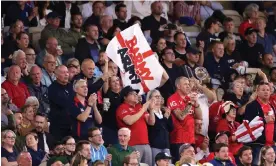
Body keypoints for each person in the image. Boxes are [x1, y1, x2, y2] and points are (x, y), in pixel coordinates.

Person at [116, 86, 156, 166]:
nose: (135, 95)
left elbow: (151, 122)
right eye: (132, 94)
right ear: (125, 97)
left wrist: (151, 110)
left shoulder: (139, 107)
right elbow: (129, 121)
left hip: (146, 143)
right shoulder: (122, 108)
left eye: (136, 94)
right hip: (133, 145)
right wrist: (143, 109)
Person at [167, 77, 202, 163]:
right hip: (178, 139)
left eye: (189, 84)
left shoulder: (188, 99)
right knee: (180, 163)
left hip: (191, 138)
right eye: (185, 84)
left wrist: (196, 104)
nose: (188, 86)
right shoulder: (173, 98)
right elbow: (181, 116)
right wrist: (190, 103)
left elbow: (199, 116)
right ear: (178, 86)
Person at [244, 82, 276, 165]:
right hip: (257, 144)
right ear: (257, 92)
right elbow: (248, 125)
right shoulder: (251, 106)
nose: (266, 92)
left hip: (271, 144)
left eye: (268, 90)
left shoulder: (271, 106)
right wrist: (265, 120)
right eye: (263, 90)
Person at [48, 65, 74, 140]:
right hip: (58, 126)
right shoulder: (53, 88)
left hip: (70, 125)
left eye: (67, 72)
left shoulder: (71, 86)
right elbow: (65, 103)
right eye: (63, 73)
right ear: (56, 75)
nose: (66, 74)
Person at [147, 89, 173, 162]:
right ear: (150, 99)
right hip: (155, 146)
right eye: (156, 96)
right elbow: (155, 126)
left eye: (159, 96)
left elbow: (171, 128)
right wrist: (165, 118)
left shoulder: (164, 112)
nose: (158, 98)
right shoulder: (148, 112)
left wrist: (167, 117)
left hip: (166, 146)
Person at [102, 75, 122, 145]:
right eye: (113, 81)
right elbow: (105, 109)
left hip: (121, 127)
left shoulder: (123, 95)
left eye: (117, 80)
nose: (116, 83)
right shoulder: (107, 95)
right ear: (110, 84)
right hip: (110, 128)